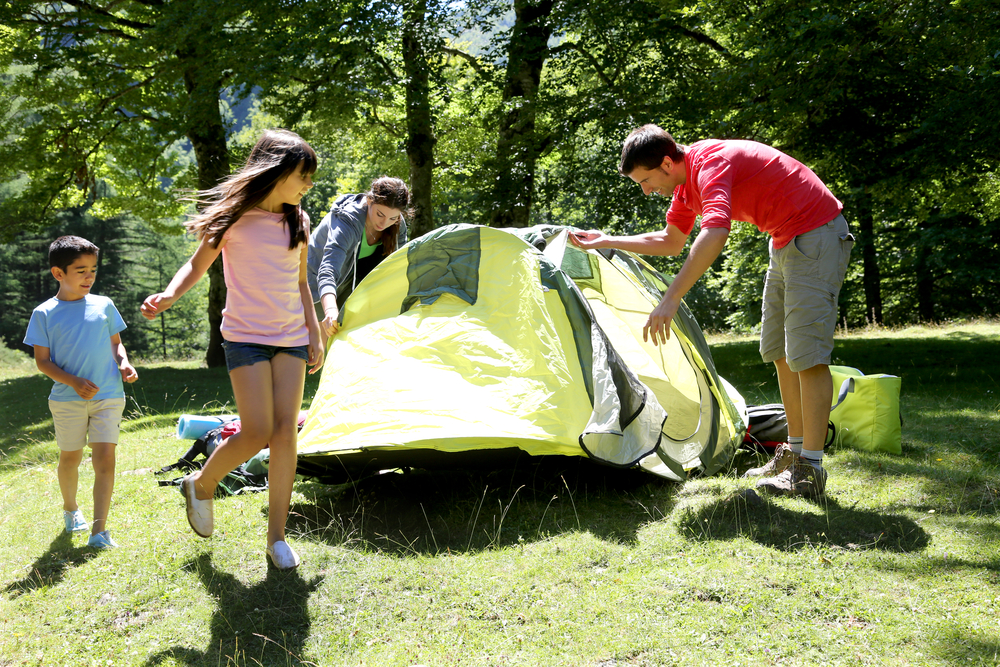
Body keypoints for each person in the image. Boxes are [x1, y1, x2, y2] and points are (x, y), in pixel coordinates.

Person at [571, 124, 853, 498]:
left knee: (807, 357)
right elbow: (671, 241)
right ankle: (795, 452)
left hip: (816, 235)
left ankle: (810, 470)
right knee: (780, 353)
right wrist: (606, 240)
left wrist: (671, 298)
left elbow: (716, 232)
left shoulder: (710, 164)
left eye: (646, 179)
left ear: (668, 163)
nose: (646, 189)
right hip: (785, 241)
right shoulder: (685, 187)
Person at [140, 129, 324, 569]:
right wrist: (168, 296)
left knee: (285, 434)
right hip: (245, 335)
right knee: (257, 430)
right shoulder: (234, 218)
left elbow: (301, 282)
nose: (308, 185)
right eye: (303, 175)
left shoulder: (299, 220)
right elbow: (197, 264)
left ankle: (276, 538)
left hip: (292, 337)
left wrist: (314, 331)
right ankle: (202, 485)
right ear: (277, 172)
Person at [24, 235, 139, 549]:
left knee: (105, 459)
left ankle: (99, 531)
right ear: (58, 274)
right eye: (81, 270)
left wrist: (124, 363)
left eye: (93, 269)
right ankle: (71, 510)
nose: (89, 276)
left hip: (109, 395)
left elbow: (116, 343)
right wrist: (74, 382)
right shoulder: (44, 313)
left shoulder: (104, 305)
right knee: (70, 459)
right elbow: (43, 362)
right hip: (66, 400)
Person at [307, 176, 410, 341]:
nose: (384, 223)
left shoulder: (398, 224)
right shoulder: (348, 220)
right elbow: (327, 270)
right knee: (319, 344)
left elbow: (398, 268)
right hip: (315, 285)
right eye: (380, 214)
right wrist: (331, 310)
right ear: (369, 200)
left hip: (352, 283)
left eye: (392, 218)